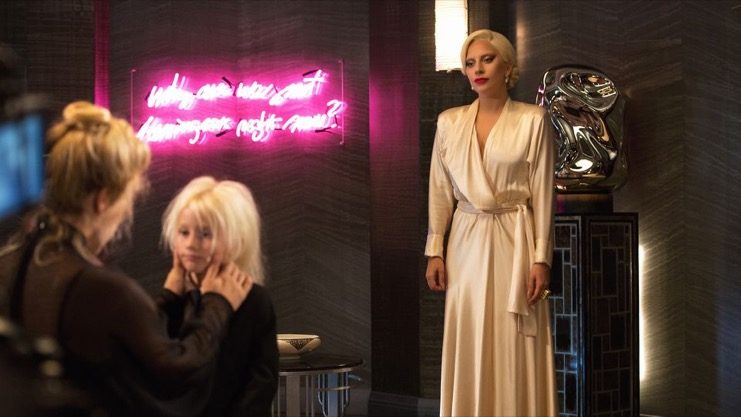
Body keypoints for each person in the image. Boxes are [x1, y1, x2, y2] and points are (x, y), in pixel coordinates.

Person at [0, 101, 252, 416]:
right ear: (103, 199)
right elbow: (176, 372)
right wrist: (218, 304)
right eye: (129, 197)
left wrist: (168, 298)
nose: (127, 211)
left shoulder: (12, 262)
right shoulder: (103, 288)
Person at [424, 29, 558, 416]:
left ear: (508, 66)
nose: (478, 69)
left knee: (513, 337)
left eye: (487, 59)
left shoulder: (533, 120)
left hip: (515, 239)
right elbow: (439, 190)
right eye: (470, 63)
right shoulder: (449, 123)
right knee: (469, 329)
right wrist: (435, 250)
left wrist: (541, 258)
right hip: (465, 240)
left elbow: (543, 194)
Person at [160, 176, 279, 416]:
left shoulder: (256, 300)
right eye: (184, 232)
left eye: (205, 234)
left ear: (236, 240)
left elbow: (261, 382)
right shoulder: (176, 298)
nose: (191, 244)